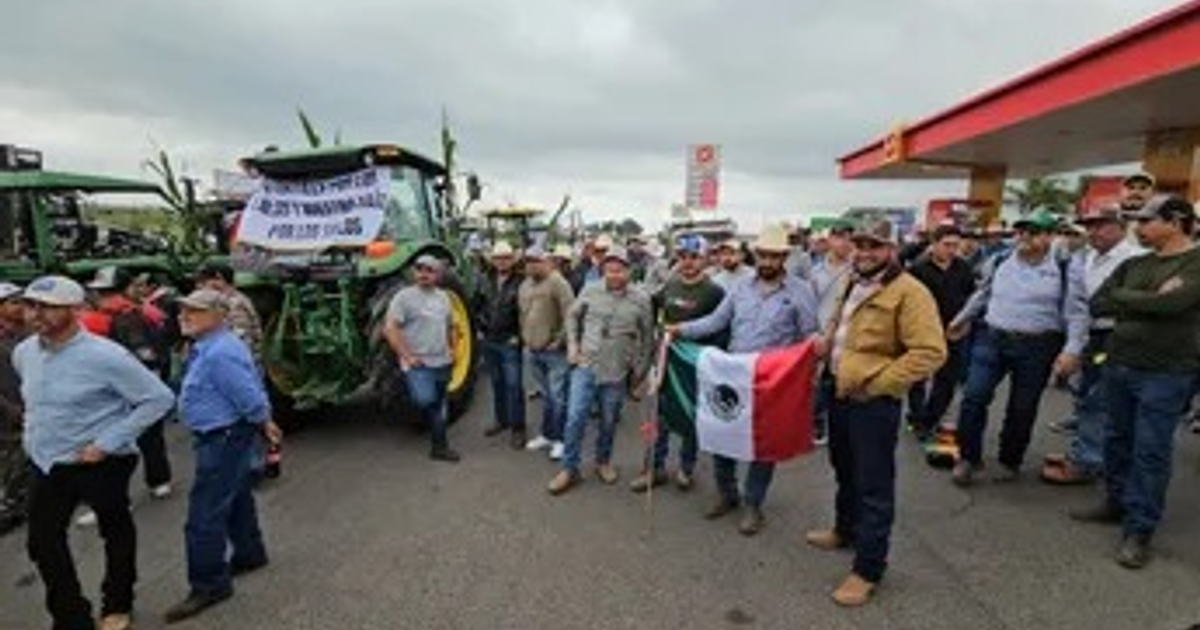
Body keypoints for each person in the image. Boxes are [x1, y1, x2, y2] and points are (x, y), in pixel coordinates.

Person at [16, 276, 175, 630]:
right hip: (48, 461)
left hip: (100, 461)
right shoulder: (25, 353)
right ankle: (70, 616)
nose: (35, 314)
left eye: (47, 307)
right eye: (31, 305)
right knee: (42, 542)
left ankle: (118, 603)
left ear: (74, 310)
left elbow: (159, 398)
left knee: (114, 530)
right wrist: (32, 441)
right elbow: (35, 404)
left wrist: (107, 442)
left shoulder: (106, 356)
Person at [805, 218, 946, 607]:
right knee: (843, 467)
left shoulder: (910, 292)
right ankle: (844, 529)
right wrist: (824, 342)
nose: (865, 252)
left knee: (874, 485)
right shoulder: (853, 280)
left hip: (873, 402)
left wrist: (879, 383)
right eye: (861, 245)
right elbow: (843, 328)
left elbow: (931, 352)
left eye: (876, 246)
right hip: (839, 390)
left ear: (893, 249)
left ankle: (868, 569)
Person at [1070, 195, 1200, 569]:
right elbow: (1098, 303)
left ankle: (1139, 528)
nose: (1138, 228)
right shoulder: (1137, 263)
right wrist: (1147, 298)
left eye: (1145, 220)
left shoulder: (1196, 262)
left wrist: (1128, 301)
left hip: (1167, 371)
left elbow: (1174, 306)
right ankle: (1115, 502)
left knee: (1151, 450)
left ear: (1176, 221)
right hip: (1120, 363)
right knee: (1115, 438)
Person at [667, 224, 819, 536]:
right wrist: (680, 330)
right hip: (735, 373)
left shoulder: (801, 291)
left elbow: (809, 336)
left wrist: (814, 363)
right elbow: (715, 321)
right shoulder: (740, 288)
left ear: (784, 258)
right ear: (757, 254)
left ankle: (753, 503)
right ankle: (727, 494)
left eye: (774, 257)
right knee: (723, 431)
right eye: (763, 255)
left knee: (765, 445)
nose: (767, 262)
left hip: (774, 380)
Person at [164, 289, 281, 623]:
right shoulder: (210, 346)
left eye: (195, 311)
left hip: (223, 437)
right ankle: (249, 553)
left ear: (219, 315)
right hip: (223, 434)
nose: (184, 316)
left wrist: (265, 422)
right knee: (236, 495)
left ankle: (209, 584)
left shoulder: (219, 352)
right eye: (183, 310)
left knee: (204, 516)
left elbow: (247, 393)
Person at [946, 210, 1086, 485]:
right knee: (973, 396)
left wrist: (1072, 349)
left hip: (1038, 345)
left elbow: (1077, 312)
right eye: (1020, 231)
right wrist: (961, 318)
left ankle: (1010, 460)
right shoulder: (999, 260)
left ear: (1049, 236)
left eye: (1033, 232)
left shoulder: (1066, 268)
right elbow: (983, 293)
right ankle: (968, 457)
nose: (1024, 237)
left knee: (1022, 407)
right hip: (993, 338)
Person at [1041, 206, 1142, 485]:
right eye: (1090, 226)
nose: (1093, 232)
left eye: (1101, 225)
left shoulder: (1137, 259)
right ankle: (1089, 454)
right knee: (1087, 395)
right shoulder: (1083, 258)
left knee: (1098, 402)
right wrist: (1074, 347)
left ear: (1121, 227)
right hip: (1093, 336)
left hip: (1122, 337)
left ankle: (1087, 461)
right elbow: (1077, 307)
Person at [548, 247, 654, 496]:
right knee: (575, 418)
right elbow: (572, 317)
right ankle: (569, 468)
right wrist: (573, 347)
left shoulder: (641, 299)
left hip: (617, 372)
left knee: (608, 422)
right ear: (603, 270)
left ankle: (602, 462)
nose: (614, 275)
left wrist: (639, 372)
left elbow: (648, 338)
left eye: (620, 270)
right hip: (586, 366)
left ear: (629, 270)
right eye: (609, 270)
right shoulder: (590, 289)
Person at [630, 234, 725, 493]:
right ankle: (653, 469)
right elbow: (652, 309)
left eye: (694, 257)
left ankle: (686, 468)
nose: (688, 262)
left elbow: (721, 330)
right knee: (658, 415)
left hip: (695, 365)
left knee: (691, 415)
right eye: (683, 257)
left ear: (705, 259)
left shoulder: (715, 292)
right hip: (666, 360)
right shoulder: (669, 286)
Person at [80, 266, 174, 502]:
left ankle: (135, 490)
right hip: (136, 380)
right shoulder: (146, 312)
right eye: (101, 292)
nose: (102, 298)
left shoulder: (126, 316)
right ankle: (156, 482)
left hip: (125, 384)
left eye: (108, 292)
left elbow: (149, 353)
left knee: (125, 438)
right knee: (143, 435)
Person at [384, 255, 461, 462]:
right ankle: (435, 427)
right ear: (414, 273)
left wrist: (453, 349)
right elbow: (391, 328)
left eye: (429, 270)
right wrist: (407, 356)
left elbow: (452, 326)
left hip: (443, 360)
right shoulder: (403, 297)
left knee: (439, 402)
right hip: (419, 362)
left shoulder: (444, 297)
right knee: (426, 400)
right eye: (419, 269)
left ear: (437, 274)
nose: (423, 274)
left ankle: (439, 446)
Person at [906, 225, 977, 439]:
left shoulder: (964, 268)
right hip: (922, 332)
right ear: (934, 244)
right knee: (917, 377)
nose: (951, 250)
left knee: (947, 379)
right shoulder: (918, 270)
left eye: (956, 245)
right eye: (947, 245)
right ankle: (917, 415)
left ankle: (930, 419)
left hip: (953, 331)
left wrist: (965, 323)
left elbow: (971, 299)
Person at [519, 245, 576, 461]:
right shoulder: (524, 285)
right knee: (547, 396)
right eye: (528, 261)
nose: (531, 265)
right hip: (532, 350)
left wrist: (559, 341)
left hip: (554, 353)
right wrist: (525, 339)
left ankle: (561, 440)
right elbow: (522, 315)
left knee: (558, 398)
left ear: (547, 261)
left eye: (536, 260)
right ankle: (547, 434)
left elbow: (570, 314)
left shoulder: (558, 282)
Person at [479, 241, 527, 448]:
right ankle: (502, 420)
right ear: (493, 260)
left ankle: (518, 427)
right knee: (497, 383)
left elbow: (526, 313)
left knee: (514, 385)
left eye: (506, 257)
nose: (502, 261)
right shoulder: (485, 280)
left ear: (512, 260)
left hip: (509, 340)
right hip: (489, 340)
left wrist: (519, 336)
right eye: (498, 258)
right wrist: (480, 330)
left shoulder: (521, 282)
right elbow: (477, 305)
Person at [0, 282, 30, 535]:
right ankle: (10, 507)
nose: (21, 306)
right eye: (13, 302)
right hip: (8, 412)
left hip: (30, 403)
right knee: (12, 460)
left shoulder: (26, 332)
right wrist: (9, 408)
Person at [195, 263, 263, 360]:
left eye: (203, 281)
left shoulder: (234, 304)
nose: (199, 286)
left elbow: (241, 341)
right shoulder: (223, 300)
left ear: (219, 278)